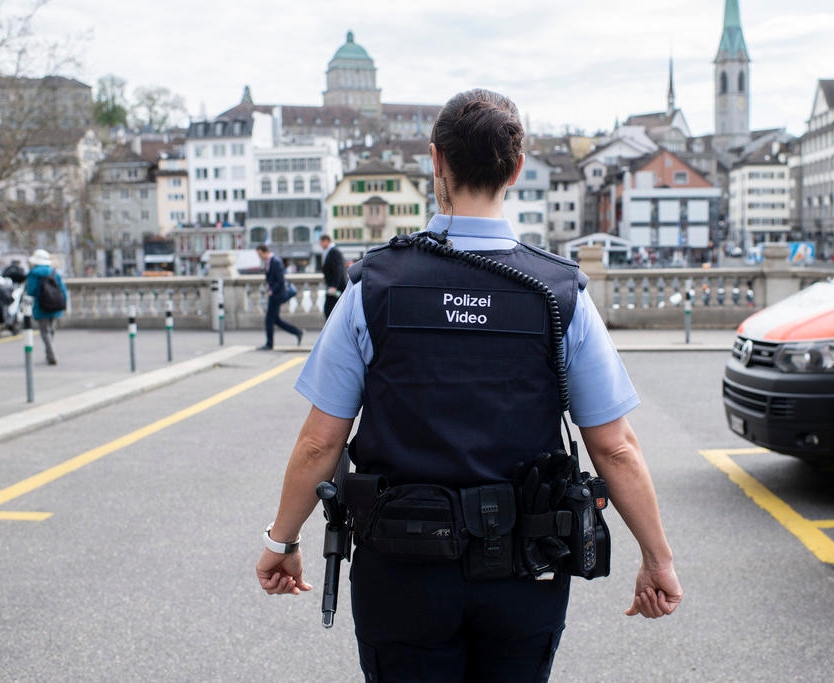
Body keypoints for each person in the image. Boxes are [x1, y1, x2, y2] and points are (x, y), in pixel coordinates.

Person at [255, 89, 682, 682]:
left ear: (436, 161)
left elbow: (318, 444)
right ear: (515, 168)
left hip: (401, 571)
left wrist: (282, 540)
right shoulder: (558, 295)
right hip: (522, 569)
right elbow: (615, 447)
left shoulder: (372, 287)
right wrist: (657, 558)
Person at [24, 249, 67, 365]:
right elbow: (63, 290)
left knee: (45, 332)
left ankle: (51, 354)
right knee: (51, 330)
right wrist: (64, 305)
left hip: (41, 306)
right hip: (55, 306)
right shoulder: (53, 272)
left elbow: (30, 291)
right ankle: (50, 354)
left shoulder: (33, 274)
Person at [256, 244, 302, 349]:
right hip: (275, 294)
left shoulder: (275, 261)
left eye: (259, 254)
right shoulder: (269, 262)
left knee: (269, 320)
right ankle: (297, 332)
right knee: (275, 319)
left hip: (276, 295)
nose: (259, 256)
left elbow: (281, 280)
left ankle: (269, 344)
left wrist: (271, 290)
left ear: (265, 252)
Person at [318, 234, 347, 320]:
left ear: (326, 241)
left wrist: (334, 286)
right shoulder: (331, 251)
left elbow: (338, 270)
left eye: (321, 242)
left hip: (335, 287)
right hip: (333, 287)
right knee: (332, 310)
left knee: (328, 309)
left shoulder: (334, 252)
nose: (320, 245)